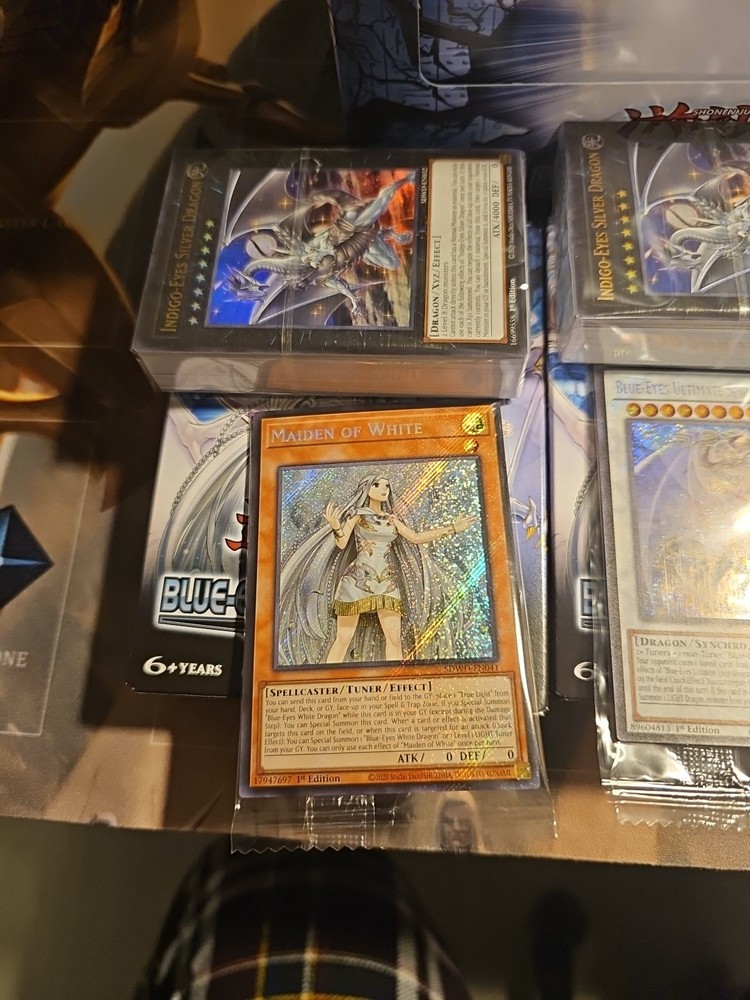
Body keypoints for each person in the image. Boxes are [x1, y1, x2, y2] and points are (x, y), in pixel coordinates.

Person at [277, 470, 478, 666]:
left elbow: (416, 538)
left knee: (394, 639)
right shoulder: (357, 515)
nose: (384, 489)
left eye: (387, 486)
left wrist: (453, 528)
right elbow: (341, 543)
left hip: (386, 582)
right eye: (377, 485)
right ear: (366, 489)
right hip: (356, 581)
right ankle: (328, 680)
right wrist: (336, 526)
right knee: (343, 638)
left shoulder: (392, 519)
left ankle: (396, 683)